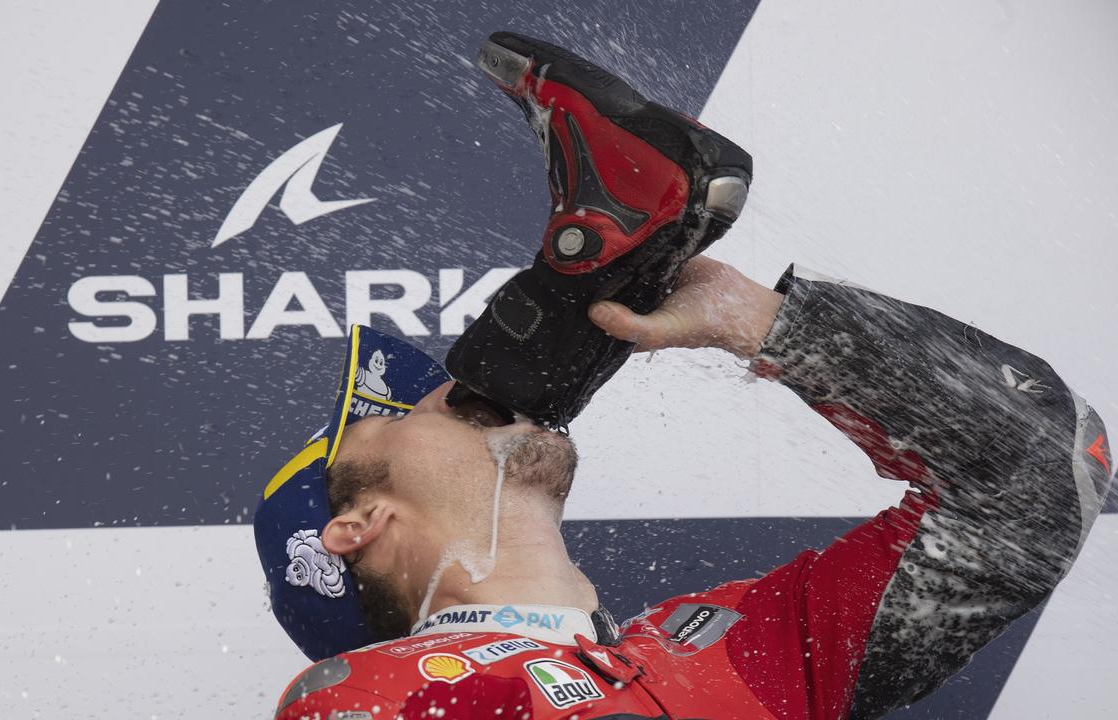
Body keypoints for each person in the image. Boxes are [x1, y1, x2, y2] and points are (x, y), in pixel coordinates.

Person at [253, 32, 1114, 719]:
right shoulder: (368, 700)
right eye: (394, 416)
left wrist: (769, 324)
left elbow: (1045, 480)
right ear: (358, 524)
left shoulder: (748, 651)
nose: (446, 392)